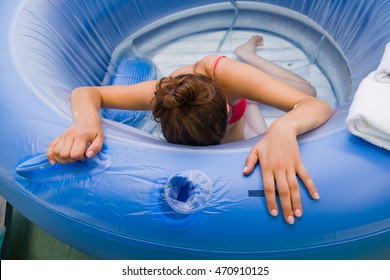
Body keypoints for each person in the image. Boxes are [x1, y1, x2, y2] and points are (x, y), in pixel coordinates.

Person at [46, 35, 332, 224]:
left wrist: (284, 127)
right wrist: (86, 121)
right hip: (222, 111)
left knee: (306, 89)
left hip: (238, 99)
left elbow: (314, 104)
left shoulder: (229, 79)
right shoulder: (163, 96)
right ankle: (258, 94)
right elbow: (86, 93)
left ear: (228, 109)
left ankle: (247, 56)